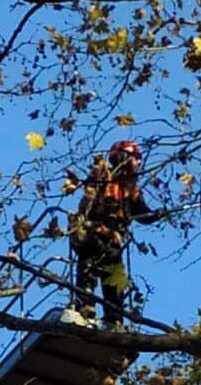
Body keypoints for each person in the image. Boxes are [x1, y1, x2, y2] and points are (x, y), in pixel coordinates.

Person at [69, 139, 162, 324]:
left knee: (113, 277)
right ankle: (84, 305)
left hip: (113, 239)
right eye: (136, 158)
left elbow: (140, 212)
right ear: (124, 157)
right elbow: (87, 203)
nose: (139, 163)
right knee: (89, 265)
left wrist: (155, 215)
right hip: (93, 232)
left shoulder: (131, 189)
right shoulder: (102, 175)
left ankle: (114, 317)